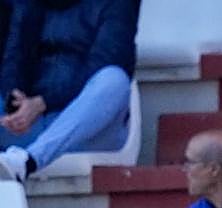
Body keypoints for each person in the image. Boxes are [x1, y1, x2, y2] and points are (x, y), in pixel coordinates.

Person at [0, 0, 137, 182]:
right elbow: (14, 55)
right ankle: (19, 160)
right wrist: (15, 97)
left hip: (88, 131)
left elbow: (106, 60)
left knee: (114, 79)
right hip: (27, 126)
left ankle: (28, 161)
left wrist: (43, 103)